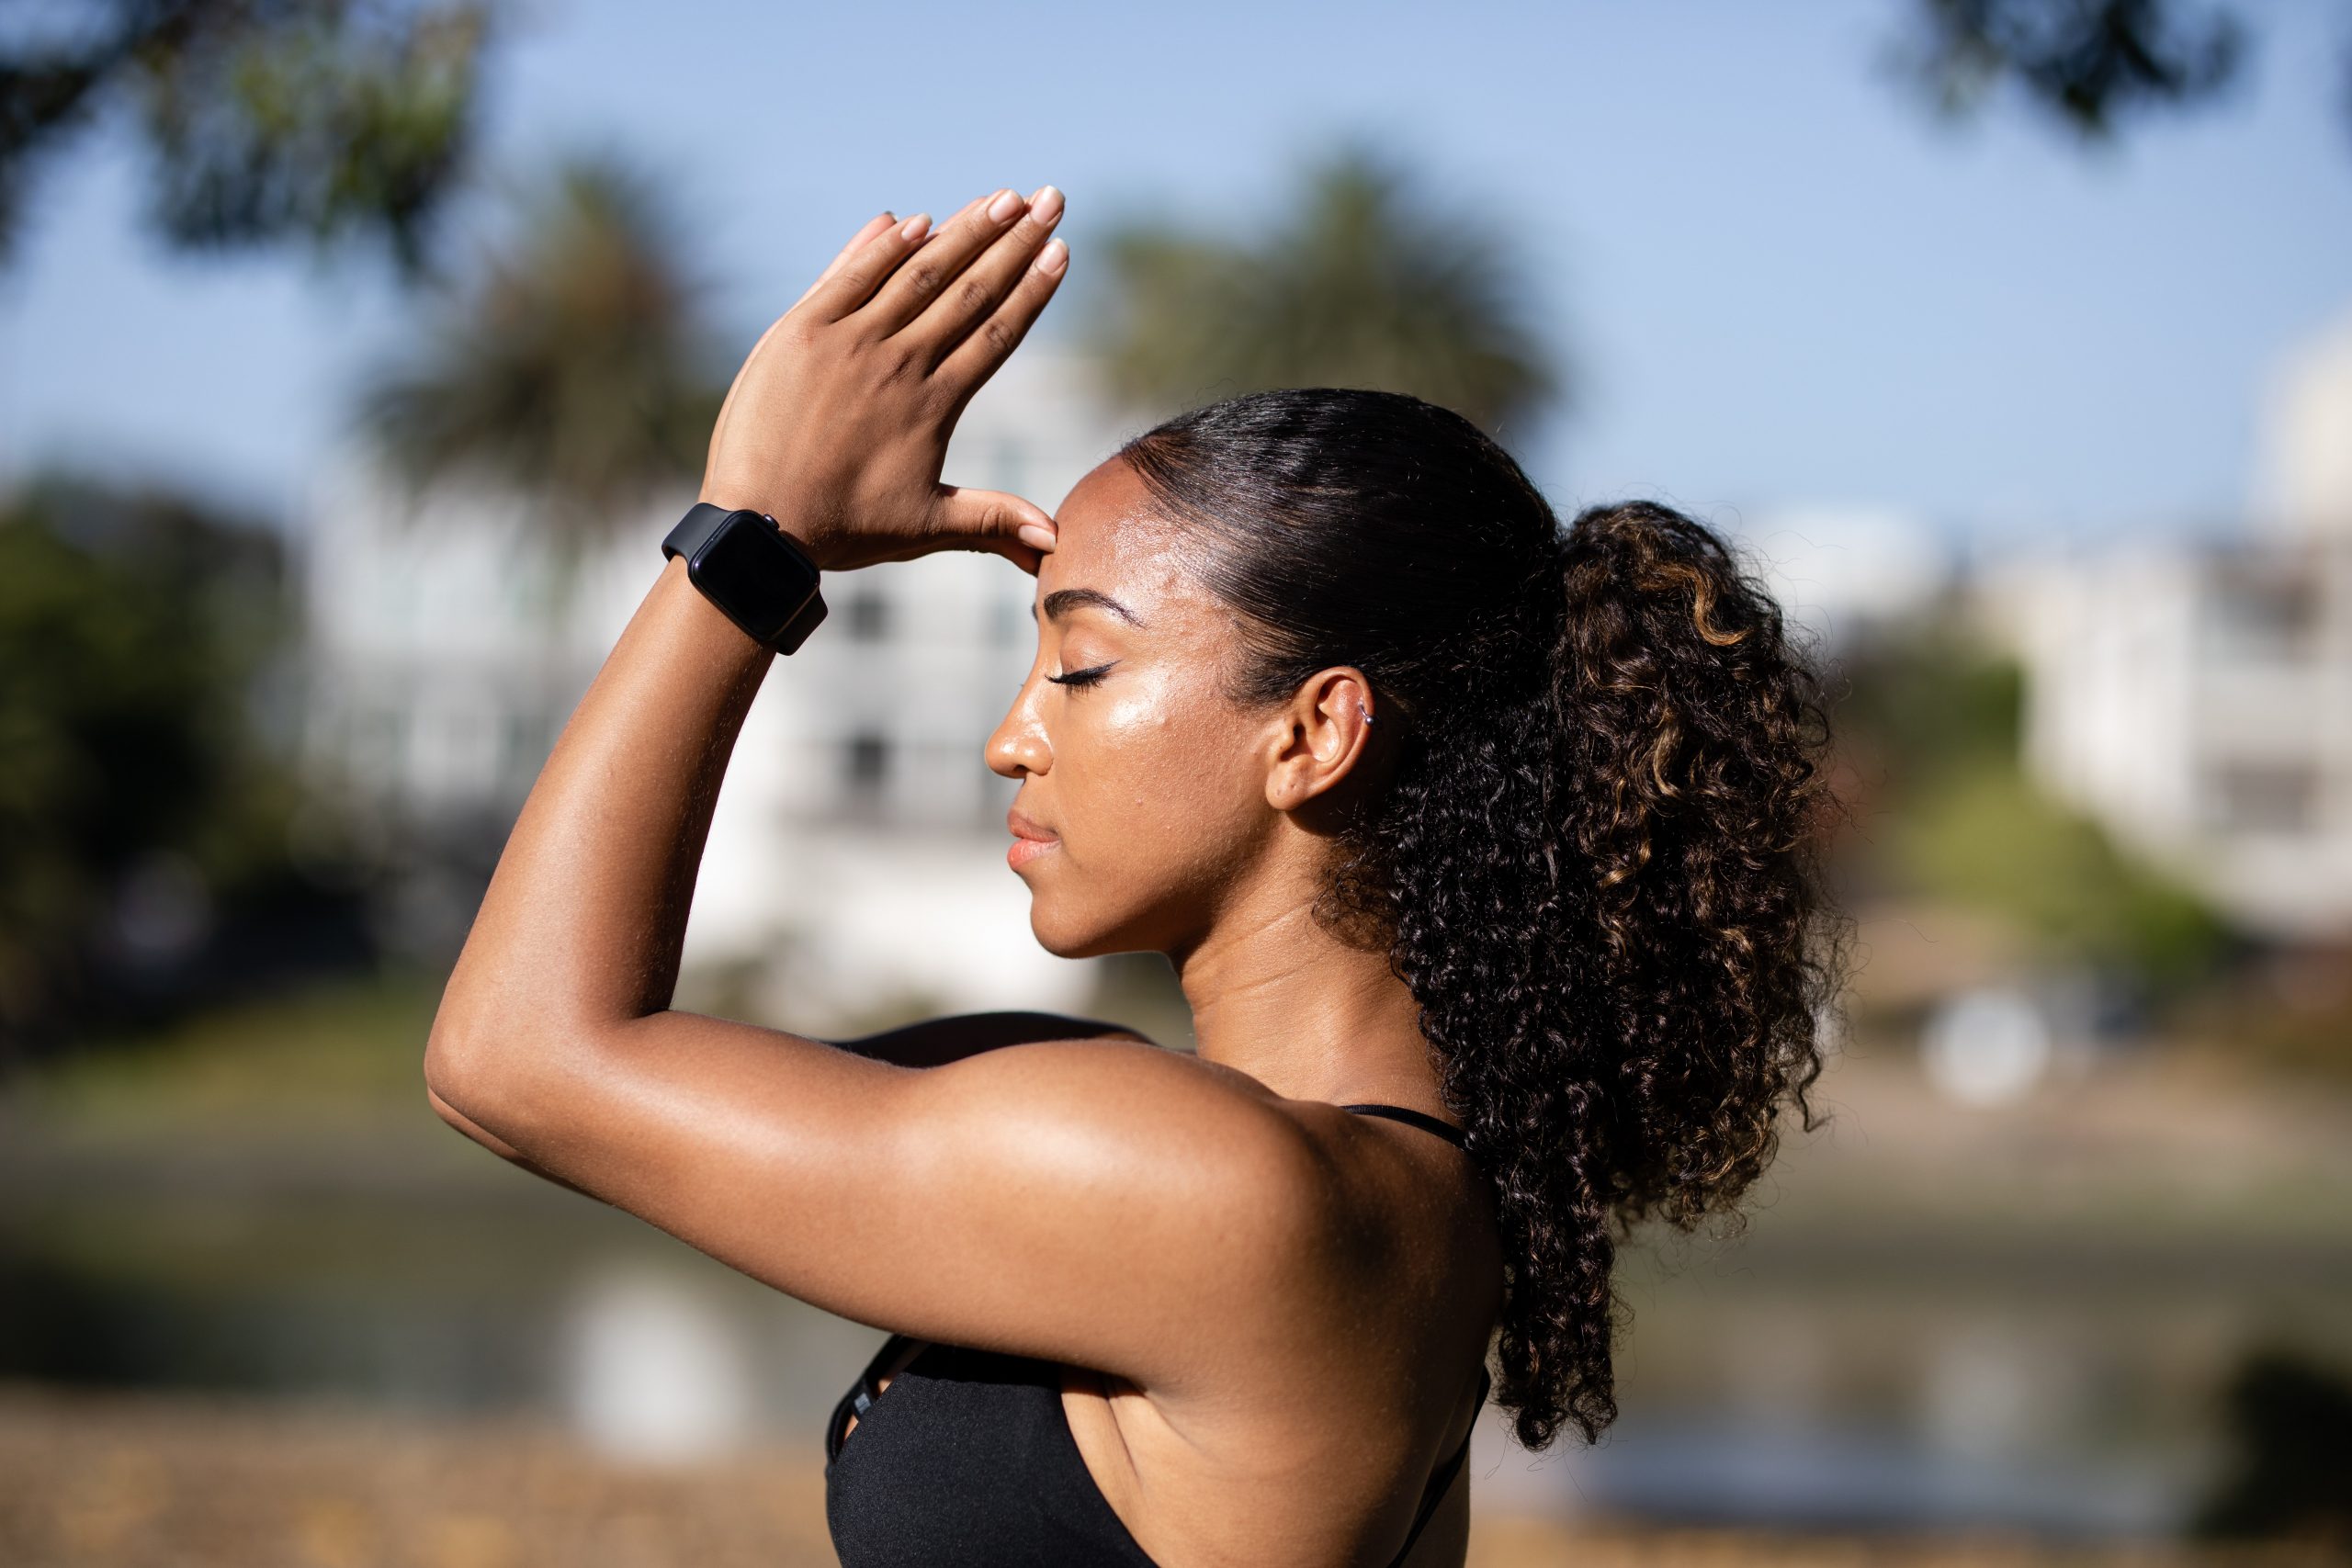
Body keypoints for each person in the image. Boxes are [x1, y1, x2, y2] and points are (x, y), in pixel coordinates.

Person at [423, 182, 1840, 1567]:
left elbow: (517, 1059)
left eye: (1082, 666)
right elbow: (622, 1065)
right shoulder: (1330, 1171)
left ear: (1315, 733)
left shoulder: (1221, 1192)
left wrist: (750, 544)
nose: (1009, 738)